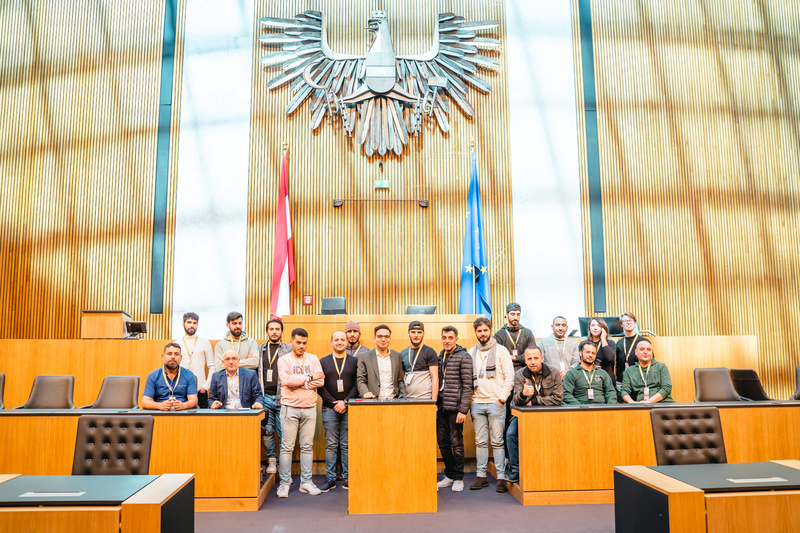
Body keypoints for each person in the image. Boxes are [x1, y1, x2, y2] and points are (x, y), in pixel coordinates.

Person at [276, 328, 325, 498]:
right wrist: (309, 378)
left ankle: (306, 482)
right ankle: (284, 483)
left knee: (307, 447)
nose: (301, 346)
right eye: (298, 342)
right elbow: (287, 381)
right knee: (287, 447)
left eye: (304, 343)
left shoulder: (313, 358)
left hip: (310, 408)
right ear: (291, 342)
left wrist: (301, 382)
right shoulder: (284, 360)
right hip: (290, 407)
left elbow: (321, 379)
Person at [467, 317, 514, 492]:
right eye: (479, 331)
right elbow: (467, 378)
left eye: (485, 330)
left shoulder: (501, 351)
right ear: (476, 333)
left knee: (497, 442)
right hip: (477, 403)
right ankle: (481, 476)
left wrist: (501, 399)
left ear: (490, 330)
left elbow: (510, 377)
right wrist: (471, 398)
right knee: (480, 442)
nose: (482, 334)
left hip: (496, 402)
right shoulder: (471, 352)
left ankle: (501, 477)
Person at [505, 346, 562, 482]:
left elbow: (558, 399)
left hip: (550, 416)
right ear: (525, 360)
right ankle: (516, 470)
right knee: (510, 434)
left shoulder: (554, 373)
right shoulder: (519, 374)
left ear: (542, 359)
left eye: (536, 358)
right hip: (525, 416)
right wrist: (524, 395)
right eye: (529, 359)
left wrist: (535, 400)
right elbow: (516, 401)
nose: (533, 362)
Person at [317, 331, 359, 492]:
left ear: (346, 342)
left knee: (347, 445)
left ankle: (348, 477)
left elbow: (358, 384)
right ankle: (330, 479)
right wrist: (335, 403)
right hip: (329, 408)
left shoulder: (354, 361)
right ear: (331, 342)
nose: (340, 342)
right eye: (337, 340)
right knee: (331, 445)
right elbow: (320, 386)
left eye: (342, 339)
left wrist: (345, 402)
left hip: (349, 407)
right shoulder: (323, 361)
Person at [436, 326, 473, 493]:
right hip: (441, 407)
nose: (447, 340)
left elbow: (468, 386)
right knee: (443, 443)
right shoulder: (440, 355)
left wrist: (463, 410)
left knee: (456, 443)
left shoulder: (464, 357)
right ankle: (449, 475)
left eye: (450, 337)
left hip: (456, 408)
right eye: (444, 337)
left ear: (456, 339)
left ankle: (458, 477)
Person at [258, 318, 291, 474]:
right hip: (265, 397)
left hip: (283, 398)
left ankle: (285, 467)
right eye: (271, 329)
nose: (274, 332)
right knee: (267, 432)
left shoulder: (289, 350)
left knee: (284, 433)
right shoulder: (260, 350)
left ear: (281, 332)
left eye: (277, 329)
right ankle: (272, 461)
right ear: (267, 331)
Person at [173, 312, 214, 408]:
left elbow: (212, 366)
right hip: (180, 389)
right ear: (183, 324)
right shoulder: (176, 344)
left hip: (200, 390)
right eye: (189, 322)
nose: (192, 325)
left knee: (202, 421)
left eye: (195, 323)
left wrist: (206, 386)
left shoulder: (205, 343)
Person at [142, 342, 199, 410]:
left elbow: (194, 401)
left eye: (176, 354)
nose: (173, 357)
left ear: (181, 358)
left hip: (182, 413)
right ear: (163, 357)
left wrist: (183, 406)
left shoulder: (189, 375)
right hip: (161, 412)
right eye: (169, 354)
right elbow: (145, 402)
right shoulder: (153, 376)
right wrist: (160, 406)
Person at [356, 325, 405, 399]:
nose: (383, 339)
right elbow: (360, 379)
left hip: (394, 400)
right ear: (374, 338)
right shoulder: (364, 357)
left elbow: (400, 379)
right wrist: (365, 393)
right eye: (379, 336)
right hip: (373, 400)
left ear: (390, 338)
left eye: (386, 336)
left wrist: (403, 397)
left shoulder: (397, 356)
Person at [400, 321, 439, 400]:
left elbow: (434, 377)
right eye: (413, 332)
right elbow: (401, 378)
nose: (416, 335)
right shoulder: (402, 353)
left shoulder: (430, 352)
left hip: (426, 399)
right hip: (407, 399)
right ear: (408, 334)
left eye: (419, 332)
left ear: (423, 334)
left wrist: (433, 402)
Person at [494, 303, 536, 371]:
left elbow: (532, 355)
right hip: (505, 371)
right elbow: (498, 357)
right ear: (506, 314)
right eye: (512, 314)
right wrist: (521, 358)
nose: (515, 317)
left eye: (518, 314)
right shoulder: (499, 335)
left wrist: (514, 357)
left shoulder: (527, 333)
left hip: (525, 371)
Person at [585, 317, 622, 389]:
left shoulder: (610, 343)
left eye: (598, 326)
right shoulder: (584, 344)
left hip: (606, 378)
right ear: (589, 328)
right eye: (593, 325)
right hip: (589, 377)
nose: (595, 328)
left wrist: (603, 339)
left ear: (603, 329)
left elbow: (609, 358)